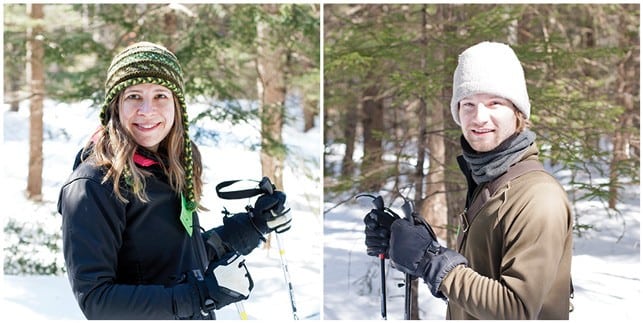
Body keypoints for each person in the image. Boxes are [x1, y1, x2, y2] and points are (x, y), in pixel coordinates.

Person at [57, 41, 292, 320]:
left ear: (177, 104)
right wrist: (200, 296)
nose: (147, 110)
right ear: (115, 106)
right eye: (133, 96)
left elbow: (182, 260)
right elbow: (96, 301)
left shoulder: (173, 167)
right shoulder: (93, 184)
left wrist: (253, 225)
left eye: (160, 95)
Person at [363, 41, 573, 319]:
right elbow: (477, 279)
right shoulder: (492, 183)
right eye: (468, 104)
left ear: (518, 112)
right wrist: (410, 245)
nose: (479, 117)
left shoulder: (537, 198)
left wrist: (431, 261)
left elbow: (516, 310)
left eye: (494, 103)